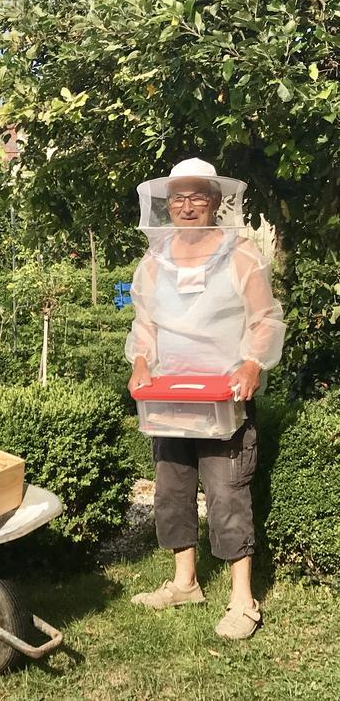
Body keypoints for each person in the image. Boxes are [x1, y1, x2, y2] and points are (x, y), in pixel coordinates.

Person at [125, 158, 285, 640]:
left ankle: (243, 599)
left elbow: (265, 319)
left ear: (217, 202)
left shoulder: (242, 257)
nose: (188, 205)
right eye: (179, 196)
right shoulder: (154, 262)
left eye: (199, 196)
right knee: (172, 490)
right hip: (170, 396)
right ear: (166, 203)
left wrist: (252, 362)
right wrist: (139, 362)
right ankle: (184, 582)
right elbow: (145, 325)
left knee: (226, 490)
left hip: (224, 395)